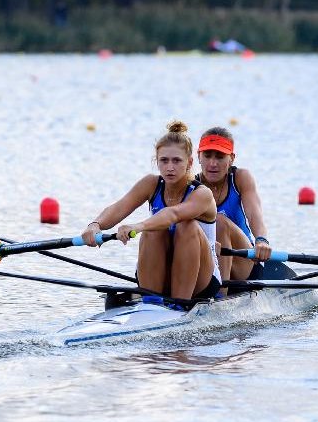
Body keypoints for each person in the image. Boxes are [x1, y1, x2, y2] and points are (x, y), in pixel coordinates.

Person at [80, 120, 221, 305]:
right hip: (161, 272)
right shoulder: (151, 184)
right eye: (164, 160)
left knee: (186, 225)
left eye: (177, 160)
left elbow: (173, 215)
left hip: (201, 280)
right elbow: (119, 207)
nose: (170, 167)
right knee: (153, 231)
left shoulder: (202, 194)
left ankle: (180, 304)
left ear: (190, 162)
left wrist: (138, 226)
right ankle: (151, 305)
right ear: (157, 161)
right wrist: (95, 225)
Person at [194, 126, 271, 282]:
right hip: (207, 257)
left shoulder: (240, 178)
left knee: (219, 220)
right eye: (207, 156)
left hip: (244, 260)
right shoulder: (192, 185)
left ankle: (221, 294)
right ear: (198, 157)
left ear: (232, 159)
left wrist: (261, 240)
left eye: (220, 157)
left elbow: (254, 214)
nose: (212, 163)